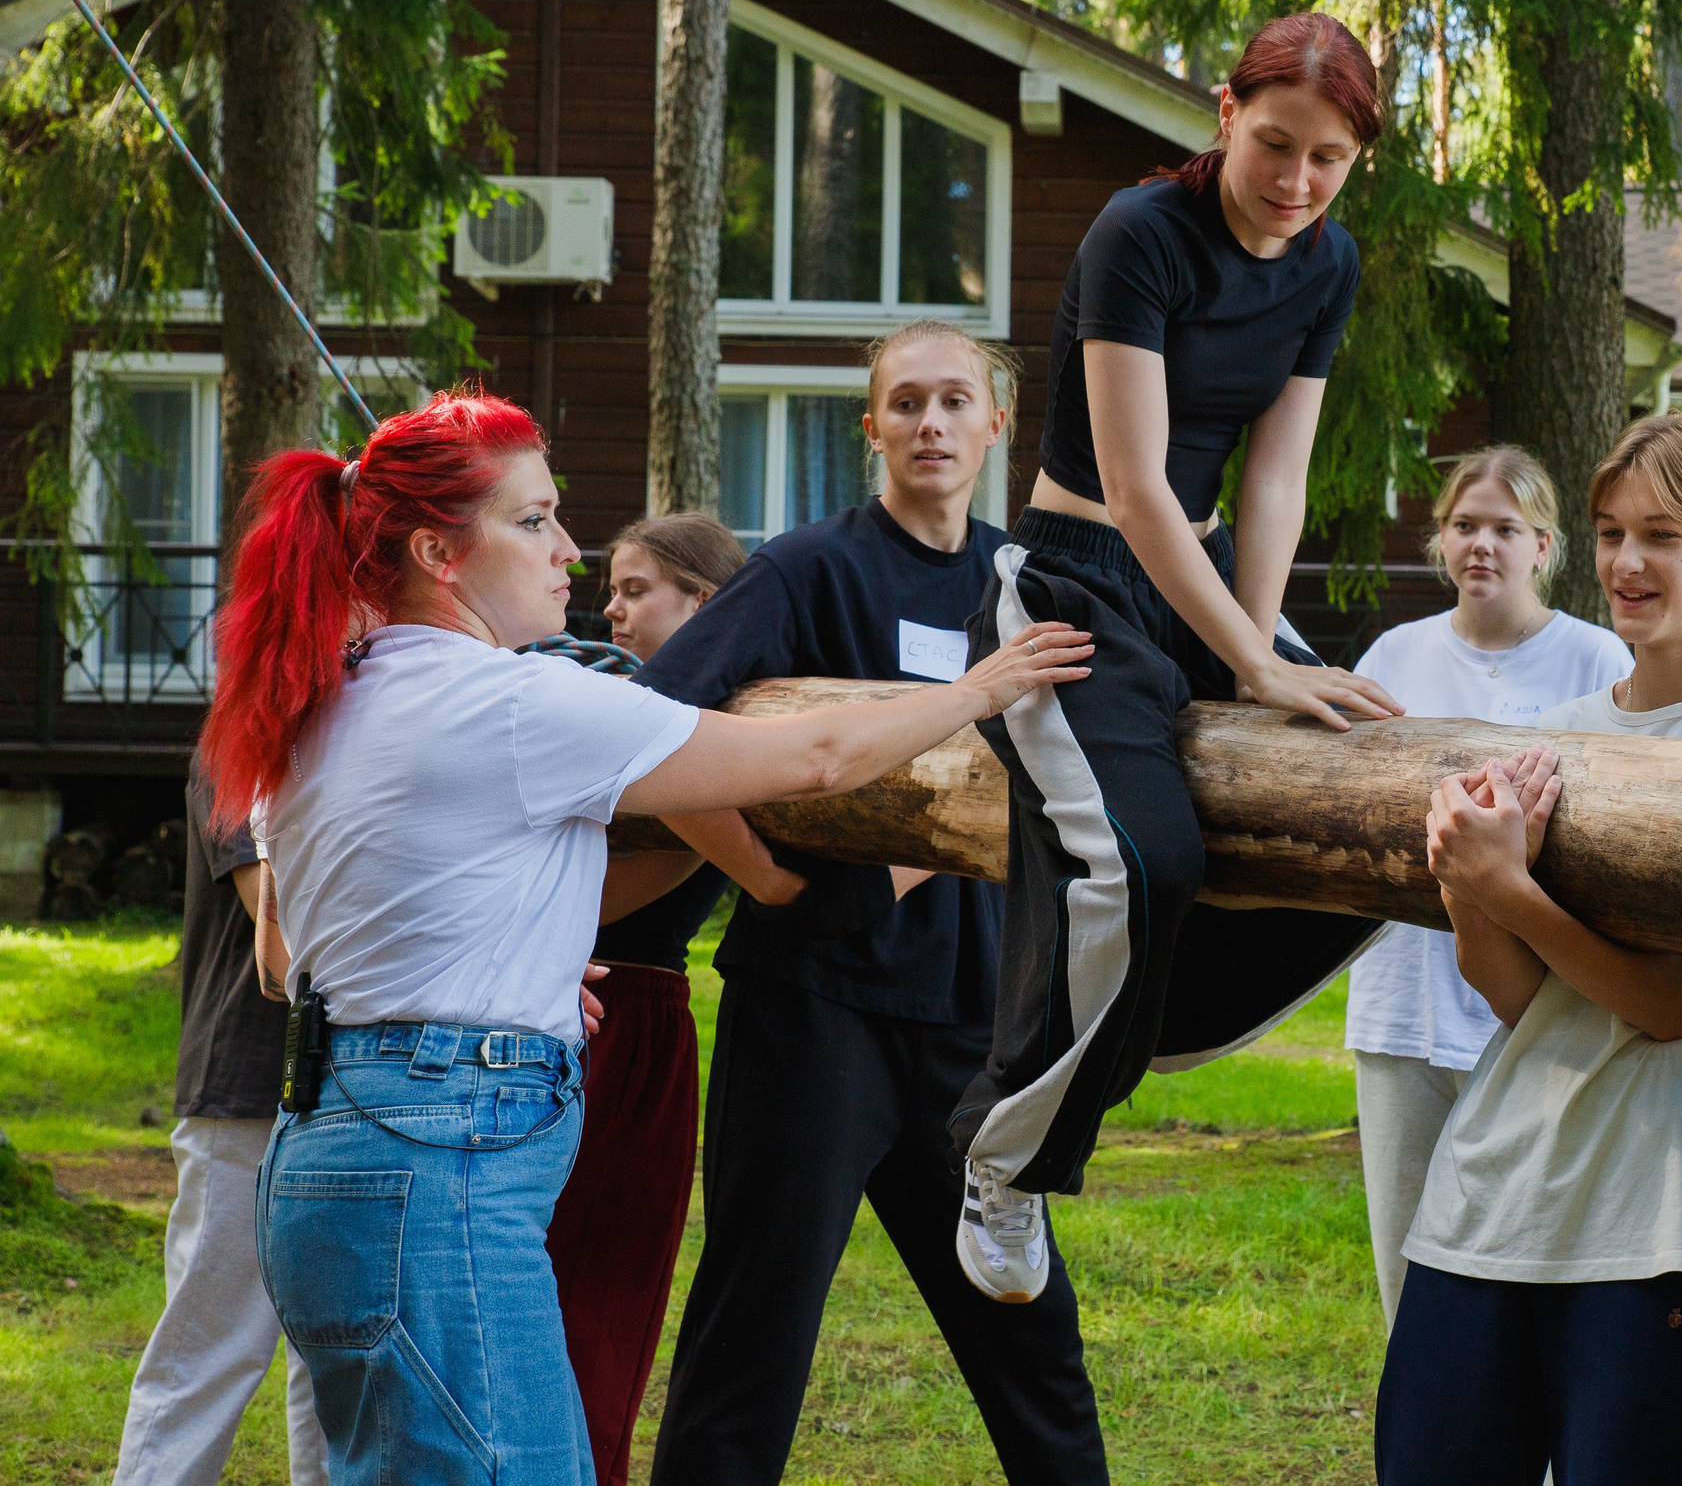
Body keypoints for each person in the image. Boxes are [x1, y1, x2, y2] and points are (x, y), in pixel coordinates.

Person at [199, 389, 1090, 1486]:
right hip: (440, 1167)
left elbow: (288, 956)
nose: (567, 551)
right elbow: (812, 757)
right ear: (437, 549)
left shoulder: (322, 697)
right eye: (532, 521)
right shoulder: (514, 704)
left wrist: (504, 973)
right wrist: (984, 686)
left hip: (334, 1151)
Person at [948, 10, 1404, 1301]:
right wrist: (1252, 671)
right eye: (1276, 146)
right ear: (1223, 113)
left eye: (1329, 160)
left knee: (1388, 773)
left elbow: (1277, 479)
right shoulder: (1137, 235)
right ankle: (1009, 1155)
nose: (1298, 183)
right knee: (1141, 856)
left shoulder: (1329, 264)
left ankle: (1161, 1006)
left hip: (1202, 587)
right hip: (1079, 581)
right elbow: (1141, 485)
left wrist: (1262, 648)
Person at [638, 323, 1111, 1486]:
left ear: (997, 425)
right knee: (753, 1335)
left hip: (977, 1032)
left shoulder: (1033, 585)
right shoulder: (810, 569)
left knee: (1032, 1342)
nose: (931, 424)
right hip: (813, 1014)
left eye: (955, 401)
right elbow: (649, 736)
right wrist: (766, 877)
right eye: (905, 404)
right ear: (871, 429)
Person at [1375, 412, 1682, 1483]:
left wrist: (1507, 888)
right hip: (1490, 1192)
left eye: (1661, 535)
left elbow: (1681, 1004)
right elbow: (1508, 993)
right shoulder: (1559, 735)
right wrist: (1471, 885)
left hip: (1656, 1209)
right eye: (1611, 532)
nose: (1626, 563)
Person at [1342, 445, 1629, 1323]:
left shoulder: (1597, 659)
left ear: (1543, 545)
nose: (1483, 547)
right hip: (1401, 1001)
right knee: (1405, 1271)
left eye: (1506, 529)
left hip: (1538, 1008)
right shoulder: (1394, 653)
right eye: (1465, 527)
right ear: (1439, 541)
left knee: (1528, 1257)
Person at [544, 512, 791, 1486]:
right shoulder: (597, 694)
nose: (611, 606)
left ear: (708, 605)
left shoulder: (713, 730)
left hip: (633, 1017)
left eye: (637, 588)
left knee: (605, 1300)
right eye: (609, 585)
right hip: (558, 1014)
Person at [109, 751, 329, 1486]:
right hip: (242, 1089)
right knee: (209, 1347)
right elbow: (277, 926)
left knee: (340, 1353)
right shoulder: (239, 747)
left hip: (353, 1090)